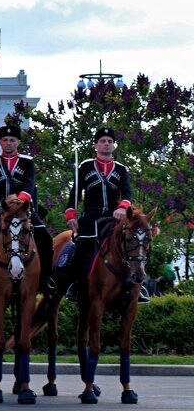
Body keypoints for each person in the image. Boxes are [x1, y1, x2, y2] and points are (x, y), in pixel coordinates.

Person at [0, 123, 56, 303]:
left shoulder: (27, 161)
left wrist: (19, 201)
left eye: (12, 140)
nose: (8, 143)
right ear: (0, 142)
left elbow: (29, 183)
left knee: (45, 237)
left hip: (22, 206)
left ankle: (46, 279)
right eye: (5, 140)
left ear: (18, 142)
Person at [63, 126, 142, 303]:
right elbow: (75, 193)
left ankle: (137, 285)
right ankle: (75, 285)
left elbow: (127, 192)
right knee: (82, 247)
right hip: (91, 216)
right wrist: (71, 216)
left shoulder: (121, 169)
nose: (106, 144)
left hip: (114, 215)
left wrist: (122, 207)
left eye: (110, 142)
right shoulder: (85, 166)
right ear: (95, 146)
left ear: (114, 146)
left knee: (134, 243)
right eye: (102, 141)